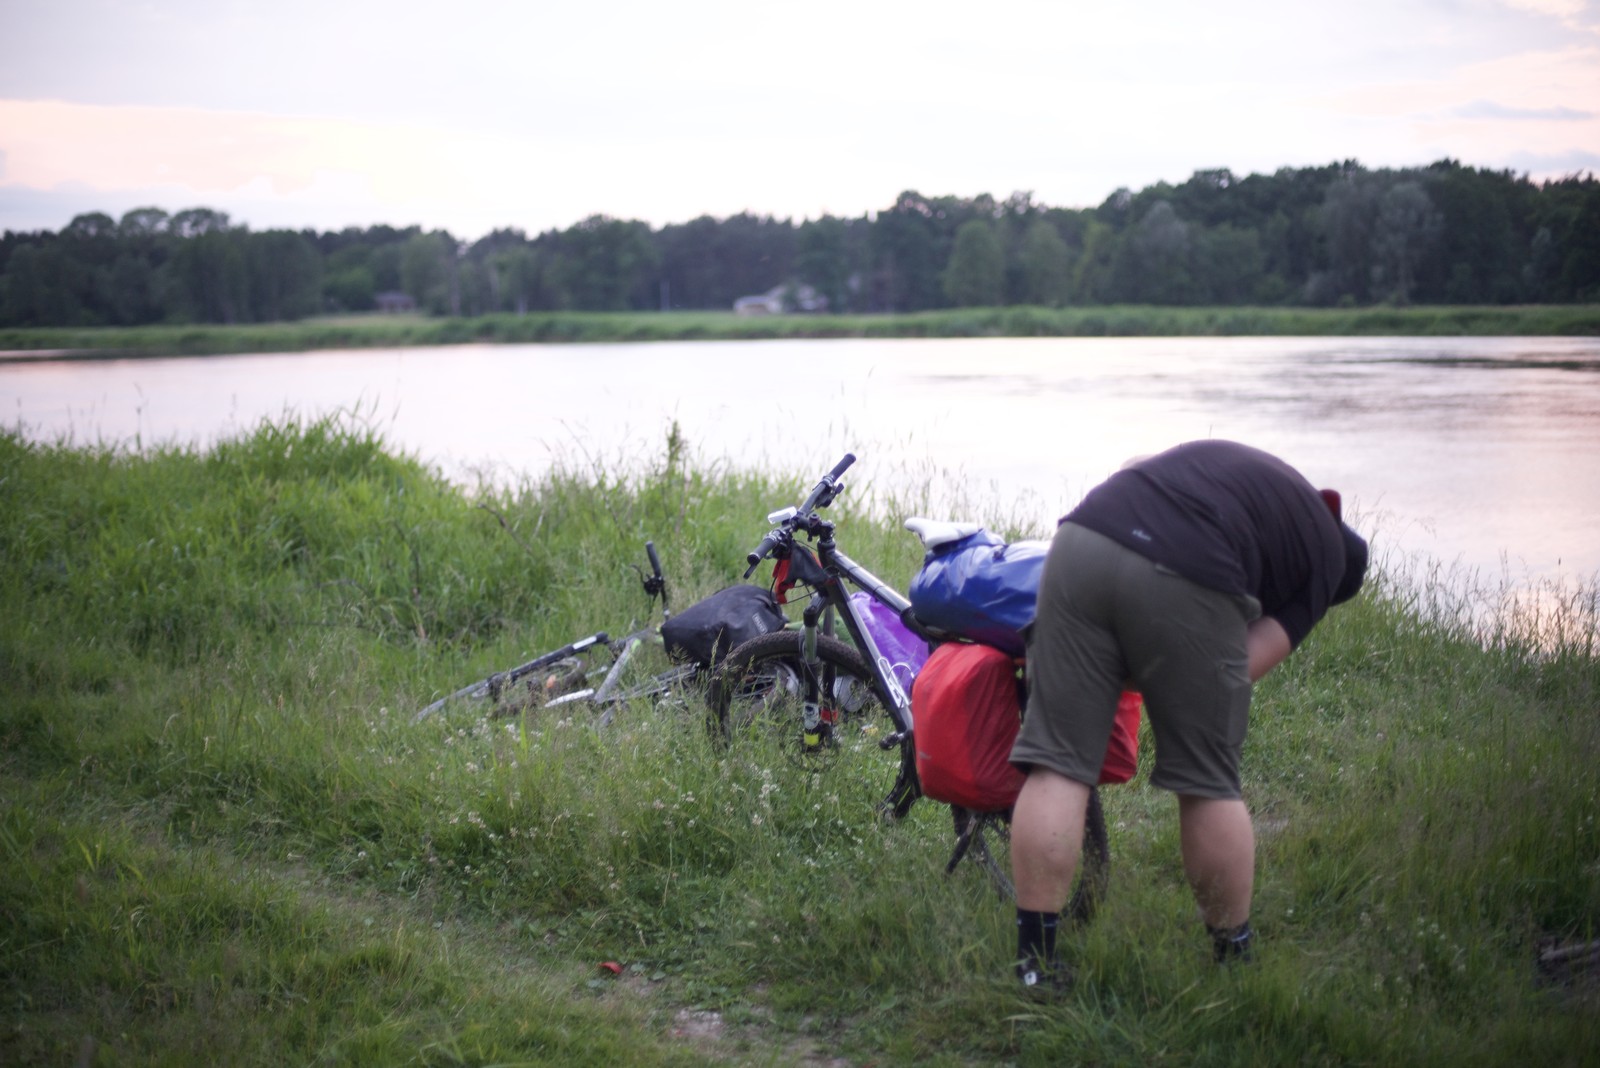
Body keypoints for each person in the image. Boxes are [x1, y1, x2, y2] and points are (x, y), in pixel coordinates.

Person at [1007, 440, 1369, 989]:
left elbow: (1130, 469)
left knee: (1056, 764)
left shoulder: (1258, 481)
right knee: (1208, 780)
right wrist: (1160, 663)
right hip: (1186, 565)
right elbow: (1238, 665)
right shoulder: (1328, 562)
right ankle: (1233, 966)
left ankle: (1033, 966)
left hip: (1081, 538)